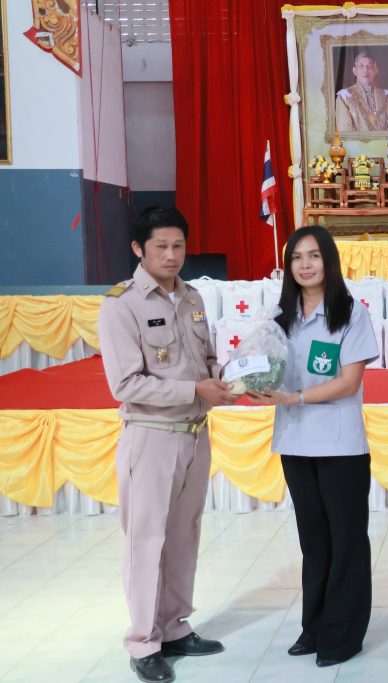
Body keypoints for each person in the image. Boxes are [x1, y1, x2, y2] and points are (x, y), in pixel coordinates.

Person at [98, 207, 236, 683]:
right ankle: (143, 641)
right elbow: (125, 384)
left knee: (183, 535)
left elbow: (207, 359)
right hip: (152, 437)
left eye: (179, 245)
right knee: (146, 540)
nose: (172, 255)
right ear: (139, 249)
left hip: (195, 435)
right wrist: (194, 389)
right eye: (161, 246)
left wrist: (228, 378)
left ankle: (175, 627)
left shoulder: (192, 297)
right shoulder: (122, 305)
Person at [247, 225, 380, 667]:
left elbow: (349, 382)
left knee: (347, 540)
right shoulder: (278, 317)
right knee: (314, 540)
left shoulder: (350, 314)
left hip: (340, 446)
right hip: (295, 442)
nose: (305, 265)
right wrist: (251, 380)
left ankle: (343, 635)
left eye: (314, 256)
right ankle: (315, 627)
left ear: (329, 261)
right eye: (297, 257)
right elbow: (267, 366)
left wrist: (295, 398)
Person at [336, 50, 388, 133]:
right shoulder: (344, 97)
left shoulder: (385, 96)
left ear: (375, 70)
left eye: (369, 66)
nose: (365, 70)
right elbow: (345, 132)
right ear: (355, 71)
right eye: (361, 66)